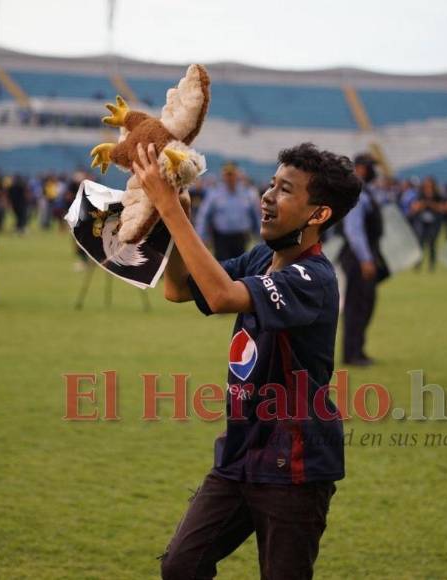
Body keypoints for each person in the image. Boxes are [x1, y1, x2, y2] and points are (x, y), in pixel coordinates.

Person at [133, 141, 361, 580]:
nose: (268, 196)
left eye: (286, 190)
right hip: (240, 453)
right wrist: (174, 212)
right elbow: (179, 289)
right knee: (181, 566)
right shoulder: (261, 257)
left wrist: (172, 210)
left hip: (294, 467)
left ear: (319, 215)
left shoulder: (313, 278)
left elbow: (221, 296)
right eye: (271, 184)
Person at [340, 153, 386, 366]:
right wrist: (366, 259)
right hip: (358, 257)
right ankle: (352, 353)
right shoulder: (357, 195)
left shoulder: (365, 192)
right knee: (356, 306)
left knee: (365, 304)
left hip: (363, 255)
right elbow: (354, 230)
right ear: (360, 168)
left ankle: (358, 349)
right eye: (370, 167)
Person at [195, 162, 261, 260]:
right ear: (223, 176)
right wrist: (202, 237)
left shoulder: (246, 193)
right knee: (223, 268)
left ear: (237, 175)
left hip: (241, 238)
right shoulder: (214, 193)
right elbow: (204, 216)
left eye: (232, 174)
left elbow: (255, 216)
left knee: (241, 267)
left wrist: (260, 235)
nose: (229, 177)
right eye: (227, 174)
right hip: (222, 239)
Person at [409, 176, 443, 271]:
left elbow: (442, 208)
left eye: (430, 184)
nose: (428, 186)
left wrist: (431, 204)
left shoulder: (437, 196)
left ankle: (431, 266)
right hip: (421, 222)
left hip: (434, 223)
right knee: (420, 244)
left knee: (432, 244)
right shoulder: (420, 195)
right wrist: (423, 204)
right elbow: (414, 207)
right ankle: (418, 264)